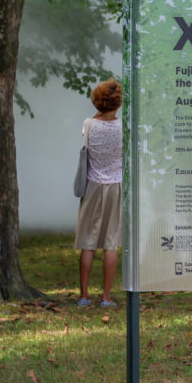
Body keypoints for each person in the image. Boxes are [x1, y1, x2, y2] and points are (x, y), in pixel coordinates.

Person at [75, 78, 123, 308]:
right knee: (110, 243)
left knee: (88, 242)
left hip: (92, 185)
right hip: (116, 185)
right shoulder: (124, 128)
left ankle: (84, 296)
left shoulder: (89, 124)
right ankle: (106, 297)